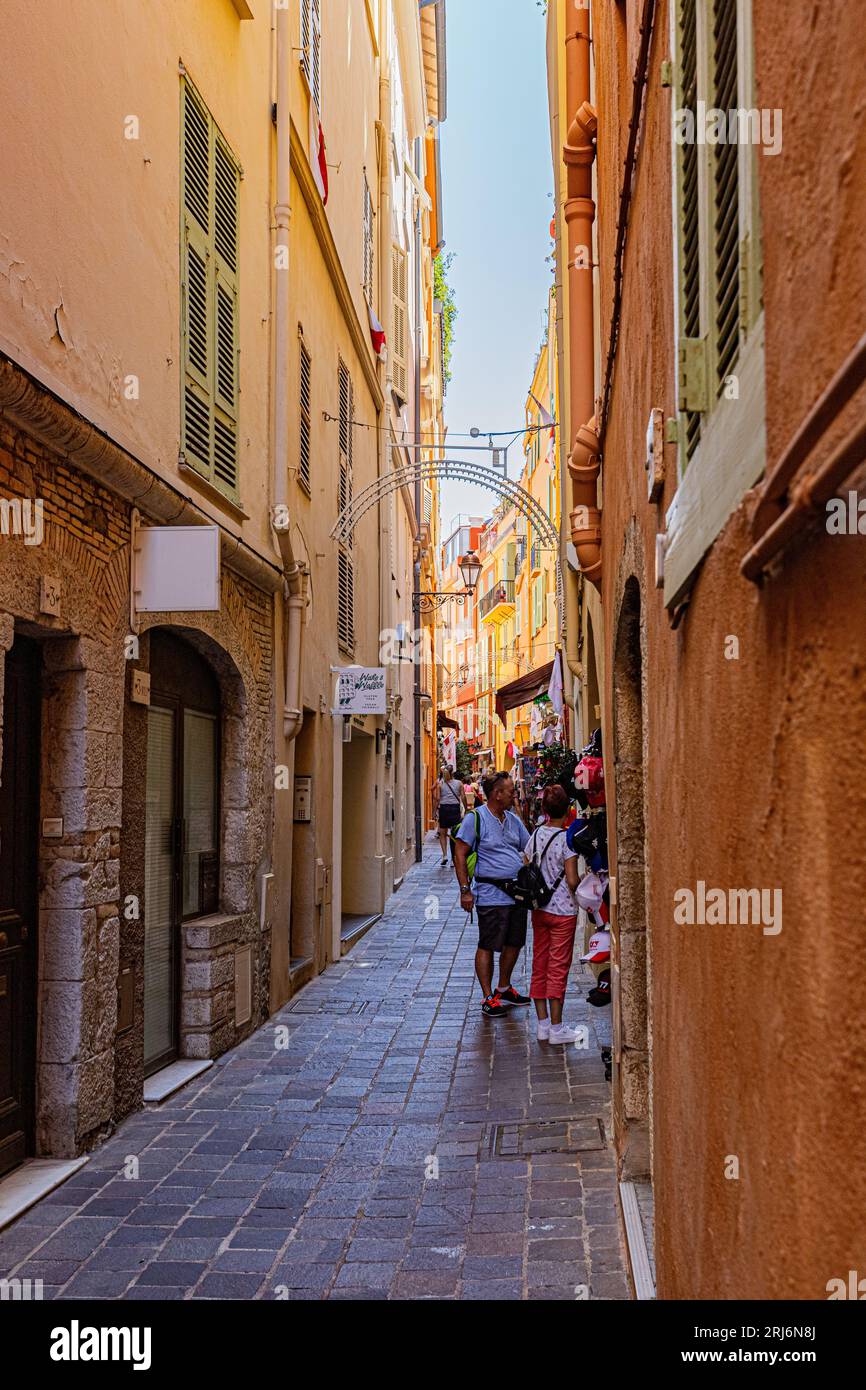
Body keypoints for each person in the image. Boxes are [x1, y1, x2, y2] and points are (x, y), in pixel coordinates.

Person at [453, 771, 532, 1018]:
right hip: (490, 894)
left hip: (516, 893)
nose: (514, 794)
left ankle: (504, 987)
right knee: (488, 943)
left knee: (515, 942)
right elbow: (460, 853)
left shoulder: (512, 819)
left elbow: (527, 846)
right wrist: (465, 890)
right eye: (510, 791)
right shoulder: (475, 819)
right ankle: (488, 997)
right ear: (497, 794)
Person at [524, 783, 582, 1044]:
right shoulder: (566, 839)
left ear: (545, 809)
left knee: (540, 963)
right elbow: (571, 880)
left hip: (539, 910)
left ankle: (542, 1025)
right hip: (563, 912)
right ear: (567, 809)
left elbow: (527, 864)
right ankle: (558, 1030)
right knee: (558, 967)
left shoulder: (535, 835)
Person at [433, 766, 466, 866]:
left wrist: (434, 811)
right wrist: (467, 808)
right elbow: (463, 797)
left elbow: (438, 799)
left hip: (444, 809)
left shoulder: (440, 784)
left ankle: (444, 856)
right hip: (455, 809)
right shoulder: (459, 783)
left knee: (443, 833)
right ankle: (453, 859)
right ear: (453, 773)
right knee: (455, 834)